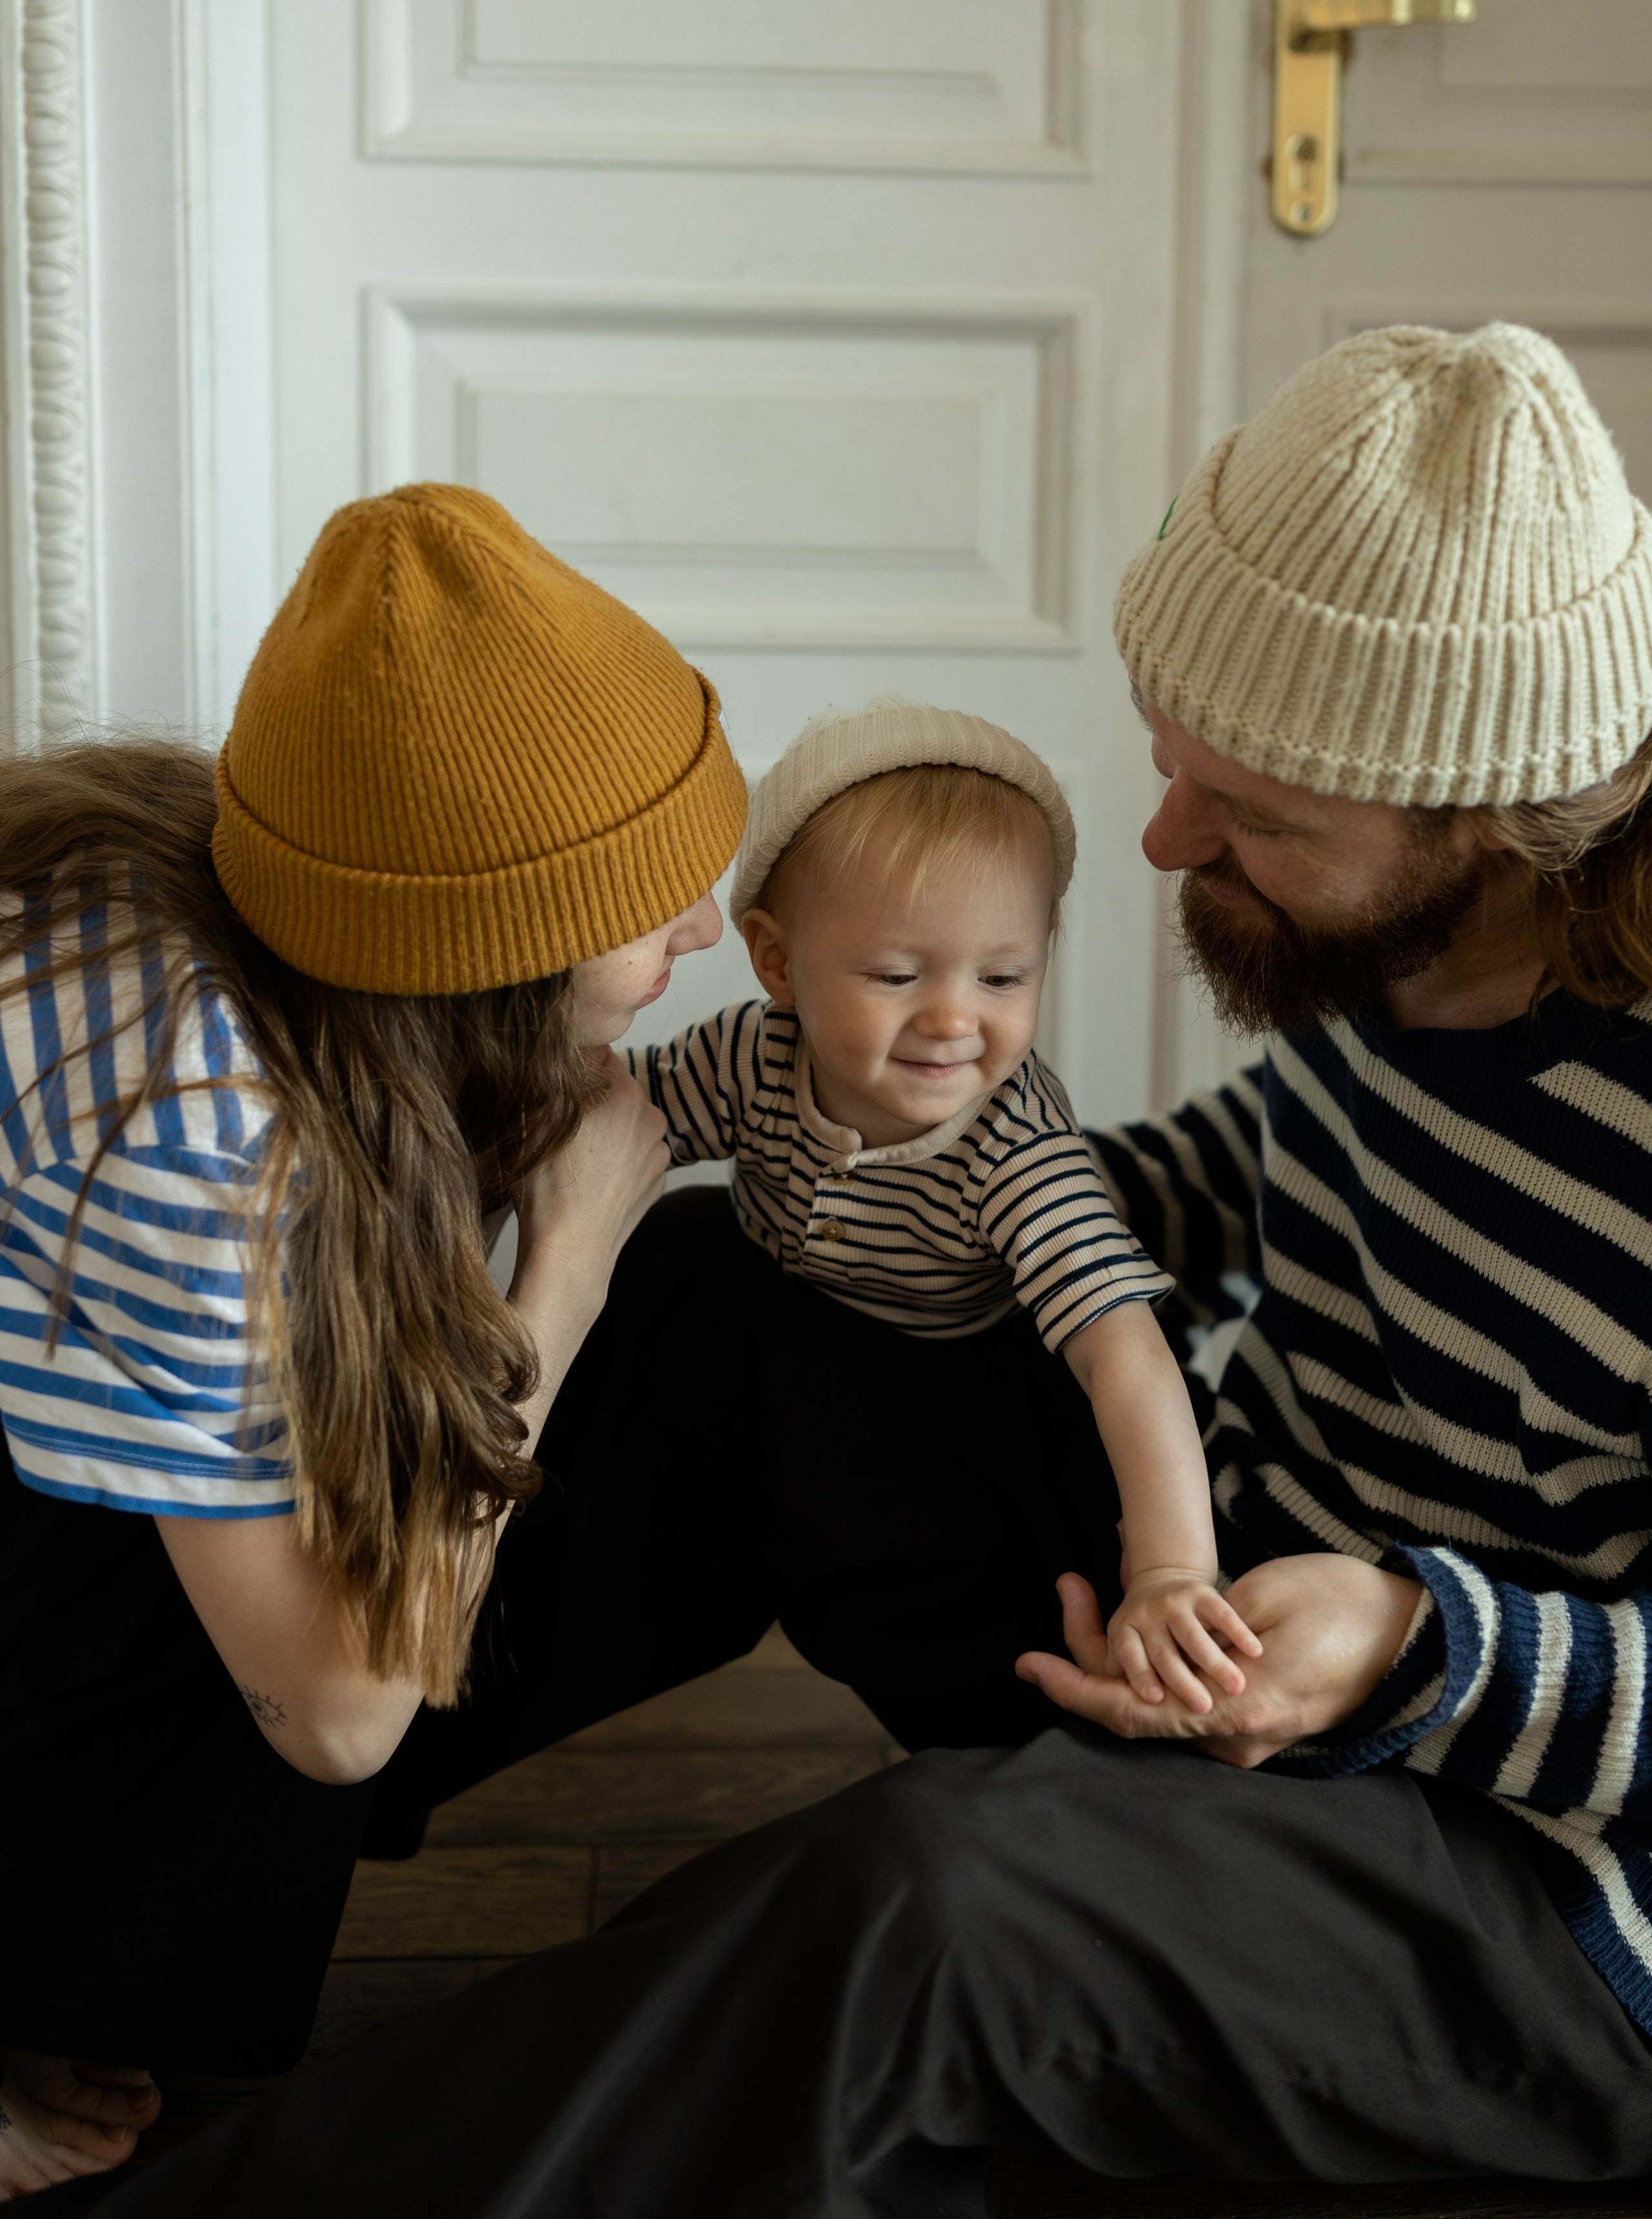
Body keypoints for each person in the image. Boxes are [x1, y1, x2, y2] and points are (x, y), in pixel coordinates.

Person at [70, 321, 1652, 2218]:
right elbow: (1242, 1188)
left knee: (925, 1906)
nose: (1162, 843)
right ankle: (130, 1922)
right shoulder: (1395, 949)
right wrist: (953, 1177)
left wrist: (1415, 1645)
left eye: (1254, 821)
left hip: (1527, 1878)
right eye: (1177, 771)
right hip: (1223, 1618)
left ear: (1489, 818)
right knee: (726, 1294)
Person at [0, 482, 747, 2195]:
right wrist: (557, 1268)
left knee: (702, 1301)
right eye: (653, 904)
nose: (700, 930)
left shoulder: (254, 881)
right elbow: (334, 1712)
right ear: (484, 947)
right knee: (327, 1642)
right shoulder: (193, 1119)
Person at [633, 698, 1260, 1712]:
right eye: (895, 974)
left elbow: (1124, 1352)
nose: (954, 1018)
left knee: (989, 1630)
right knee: (672, 1254)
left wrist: (1172, 1570)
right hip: (800, 1339)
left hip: (975, 1382)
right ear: (779, 962)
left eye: (1004, 975)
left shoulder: (1014, 1149)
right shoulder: (755, 1055)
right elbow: (616, 1115)